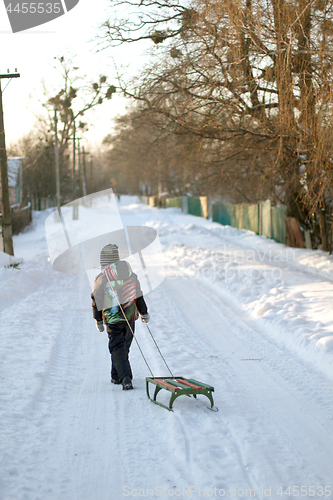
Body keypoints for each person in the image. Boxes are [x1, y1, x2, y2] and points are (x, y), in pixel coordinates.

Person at [91, 243, 150, 390]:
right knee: (124, 347)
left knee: (117, 347)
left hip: (112, 319)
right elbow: (138, 294)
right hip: (130, 317)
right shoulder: (130, 274)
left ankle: (125, 377)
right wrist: (144, 312)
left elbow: (97, 299)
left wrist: (98, 319)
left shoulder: (102, 277)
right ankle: (116, 376)